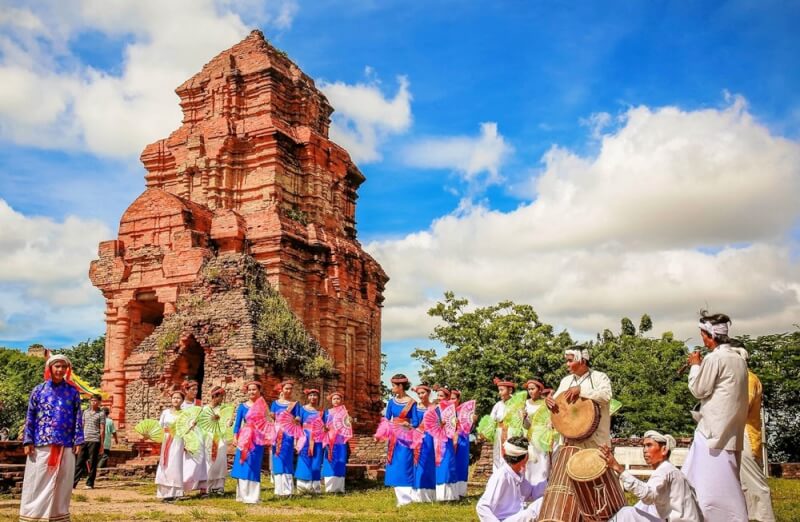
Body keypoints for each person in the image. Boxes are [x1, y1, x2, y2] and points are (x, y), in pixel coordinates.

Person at [681, 312, 749, 522]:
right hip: (730, 432)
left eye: (702, 334)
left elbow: (698, 389)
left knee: (708, 489)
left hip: (712, 433)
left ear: (708, 335)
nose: (702, 338)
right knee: (713, 481)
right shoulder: (739, 359)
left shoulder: (715, 359)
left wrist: (695, 365)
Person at [20, 354, 84, 522]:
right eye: (57, 366)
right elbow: (30, 416)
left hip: (66, 443)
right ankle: (33, 516)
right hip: (41, 443)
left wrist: (78, 439)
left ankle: (58, 516)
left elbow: (78, 416)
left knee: (63, 482)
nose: (60, 369)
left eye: (63, 367)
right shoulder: (38, 390)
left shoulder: (72, 392)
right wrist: (28, 440)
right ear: (50, 368)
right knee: (38, 480)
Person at [601, 430, 702, 521]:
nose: (645, 450)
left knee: (626, 513)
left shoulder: (666, 471)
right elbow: (646, 504)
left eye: (649, 445)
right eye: (644, 446)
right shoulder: (670, 470)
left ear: (664, 450)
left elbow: (648, 495)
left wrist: (618, 468)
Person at [730, 341, 776, 522]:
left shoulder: (747, 379)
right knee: (739, 485)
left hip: (746, 435)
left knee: (756, 485)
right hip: (735, 434)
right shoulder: (737, 379)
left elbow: (742, 407)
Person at [545, 346, 613, 449]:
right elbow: (558, 405)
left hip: (596, 442)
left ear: (582, 361)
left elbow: (606, 396)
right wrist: (549, 402)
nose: (567, 364)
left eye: (570, 361)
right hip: (569, 442)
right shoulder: (566, 381)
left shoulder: (599, 377)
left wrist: (581, 390)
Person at [476, 435, 546, 522]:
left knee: (543, 502)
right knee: (531, 511)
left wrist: (549, 482)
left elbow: (531, 492)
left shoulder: (516, 474)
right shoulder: (501, 476)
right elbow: (482, 507)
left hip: (515, 518)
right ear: (524, 458)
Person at [383, 374, 419, 507]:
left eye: (393, 386)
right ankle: (400, 497)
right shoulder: (391, 402)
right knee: (395, 464)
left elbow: (415, 422)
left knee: (405, 464)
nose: (392, 388)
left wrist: (408, 425)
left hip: (406, 437)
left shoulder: (412, 403)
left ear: (400, 386)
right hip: (394, 437)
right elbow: (386, 419)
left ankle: (407, 498)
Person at [231, 381, 268, 504]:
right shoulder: (242, 406)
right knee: (243, 463)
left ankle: (253, 496)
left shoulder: (262, 406)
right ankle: (242, 495)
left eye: (254, 389)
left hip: (257, 438)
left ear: (259, 391)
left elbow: (267, 423)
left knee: (254, 464)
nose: (252, 392)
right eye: (250, 390)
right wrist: (235, 438)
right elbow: (237, 425)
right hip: (244, 437)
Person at [271, 379, 301, 497]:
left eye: (290, 388)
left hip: (288, 433)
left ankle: (288, 490)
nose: (288, 390)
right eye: (286, 388)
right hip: (276, 432)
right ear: (282, 390)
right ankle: (278, 489)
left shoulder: (295, 404)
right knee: (277, 457)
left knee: (287, 458)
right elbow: (272, 417)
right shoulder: (275, 404)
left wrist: (296, 419)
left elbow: (298, 418)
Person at [155, 389, 186, 501]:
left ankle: (176, 492)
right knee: (165, 464)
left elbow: (187, 429)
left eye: (178, 398)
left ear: (182, 400)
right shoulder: (166, 413)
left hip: (178, 440)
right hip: (166, 439)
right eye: (174, 398)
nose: (176, 400)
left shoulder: (184, 414)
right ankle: (164, 492)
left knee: (175, 464)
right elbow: (159, 427)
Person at [432, 385, 459, 501]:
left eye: (441, 396)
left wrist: (453, 422)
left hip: (447, 439)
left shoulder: (451, 409)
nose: (439, 398)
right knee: (437, 465)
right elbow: (430, 424)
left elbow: (454, 426)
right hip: (436, 439)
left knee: (447, 464)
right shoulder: (434, 408)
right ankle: (438, 495)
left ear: (447, 397)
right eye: (438, 395)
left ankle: (449, 495)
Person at [73, 393, 105, 490]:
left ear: (99, 402)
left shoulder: (101, 413)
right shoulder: (85, 412)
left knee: (93, 463)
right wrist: (78, 439)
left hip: (95, 440)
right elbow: (82, 426)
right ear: (90, 401)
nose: (94, 402)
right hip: (84, 439)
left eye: (96, 400)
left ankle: (90, 483)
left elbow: (102, 429)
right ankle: (73, 483)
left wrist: (102, 443)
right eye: (92, 400)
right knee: (79, 462)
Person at [180, 380, 207, 495]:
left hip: (199, 434)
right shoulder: (181, 405)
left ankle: (202, 487)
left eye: (197, 390)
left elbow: (204, 419)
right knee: (187, 462)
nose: (195, 392)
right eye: (192, 389)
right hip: (186, 434)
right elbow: (179, 422)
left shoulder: (199, 404)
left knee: (200, 461)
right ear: (186, 390)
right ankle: (184, 486)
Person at [296, 388, 324, 494]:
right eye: (311, 395)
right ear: (307, 397)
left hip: (317, 439)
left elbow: (325, 425)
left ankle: (315, 488)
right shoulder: (302, 410)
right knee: (304, 460)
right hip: (305, 438)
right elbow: (298, 425)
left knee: (316, 462)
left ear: (318, 397)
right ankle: (302, 487)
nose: (313, 398)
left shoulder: (321, 412)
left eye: (315, 395)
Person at [521, 379, 550, 485]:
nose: (530, 391)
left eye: (533, 389)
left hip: (543, 437)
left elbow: (549, 420)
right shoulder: (525, 404)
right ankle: (529, 487)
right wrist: (524, 418)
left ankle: (541, 487)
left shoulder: (545, 404)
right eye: (529, 389)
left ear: (540, 390)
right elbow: (526, 425)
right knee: (530, 461)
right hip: (529, 436)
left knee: (542, 461)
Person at [410, 384, 436, 502]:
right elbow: (415, 423)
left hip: (431, 438)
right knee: (418, 463)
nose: (420, 396)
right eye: (419, 393)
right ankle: (419, 493)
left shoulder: (435, 407)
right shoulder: (415, 407)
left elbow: (438, 423)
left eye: (423, 393)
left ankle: (431, 493)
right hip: (419, 437)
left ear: (429, 393)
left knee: (429, 463)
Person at [321, 391, 350, 494]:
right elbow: (323, 425)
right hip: (330, 440)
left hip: (340, 440)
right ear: (331, 401)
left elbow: (347, 426)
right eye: (334, 399)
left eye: (338, 398)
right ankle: (329, 488)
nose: (336, 400)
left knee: (340, 462)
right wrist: (324, 429)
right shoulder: (327, 412)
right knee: (329, 461)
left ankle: (339, 488)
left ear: (341, 400)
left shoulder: (344, 412)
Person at [204, 386, 229, 495]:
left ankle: (219, 486)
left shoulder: (224, 409)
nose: (221, 399)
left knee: (220, 461)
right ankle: (208, 486)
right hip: (209, 437)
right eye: (220, 396)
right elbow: (202, 423)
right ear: (214, 396)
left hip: (220, 437)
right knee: (209, 461)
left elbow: (227, 421)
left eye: (222, 397)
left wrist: (228, 423)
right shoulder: (205, 409)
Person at [489, 377, 515, 471]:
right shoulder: (497, 405)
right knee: (498, 455)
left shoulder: (517, 403)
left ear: (510, 390)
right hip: (499, 433)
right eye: (499, 390)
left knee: (511, 456)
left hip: (512, 433)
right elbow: (491, 420)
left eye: (501, 390)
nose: (499, 393)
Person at [451, 389, 471, 498]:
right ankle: (450, 491)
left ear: (458, 399)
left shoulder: (465, 411)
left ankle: (460, 492)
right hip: (449, 439)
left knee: (461, 463)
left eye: (453, 398)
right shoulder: (445, 411)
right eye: (449, 398)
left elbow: (469, 427)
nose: (451, 401)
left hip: (462, 438)